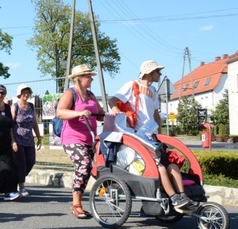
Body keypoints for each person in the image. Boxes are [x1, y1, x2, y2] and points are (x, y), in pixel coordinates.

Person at [108, 60, 198, 210]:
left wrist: (161, 135)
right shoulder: (132, 85)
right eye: (158, 71)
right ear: (149, 73)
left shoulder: (154, 91)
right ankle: (174, 199)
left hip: (152, 136)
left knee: (173, 165)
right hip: (138, 136)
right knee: (160, 168)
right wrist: (119, 116)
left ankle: (183, 196)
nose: (160, 74)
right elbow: (113, 100)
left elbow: (155, 113)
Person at [57, 64, 104, 218]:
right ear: (80, 78)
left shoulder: (90, 95)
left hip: (89, 138)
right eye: (88, 76)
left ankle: (79, 202)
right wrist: (79, 113)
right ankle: (76, 204)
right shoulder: (71, 93)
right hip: (72, 138)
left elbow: (100, 114)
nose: (91, 78)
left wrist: (112, 114)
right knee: (84, 165)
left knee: (88, 169)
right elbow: (60, 112)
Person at [12, 84, 42, 197]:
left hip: (29, 139)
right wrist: (13, 141)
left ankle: (16, 179)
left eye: (28, 92)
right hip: (18, 138)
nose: (26, 94)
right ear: (19, 94)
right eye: (23, 92)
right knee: (21, 163)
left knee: (31, 161)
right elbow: (11, 124)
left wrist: (39, 137)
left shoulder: (31, 106)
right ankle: (21, 186)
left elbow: (34, 122)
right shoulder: (15, 106)